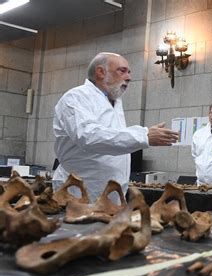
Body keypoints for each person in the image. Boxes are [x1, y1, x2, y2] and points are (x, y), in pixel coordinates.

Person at [53, 52, 179, 202]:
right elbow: (88, 136)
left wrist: (143, 136)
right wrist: (143, 136)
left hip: (112, 192)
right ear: (101, 72)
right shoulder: (76, 97)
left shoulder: (114, 102)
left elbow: (113, 138)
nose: (129, 77)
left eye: (129, 72)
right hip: (80, 191)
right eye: (122, 70)